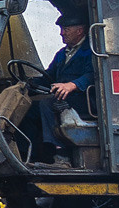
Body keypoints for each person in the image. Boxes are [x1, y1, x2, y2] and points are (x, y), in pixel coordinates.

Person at [38, 13, 96, 164]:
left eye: (66, 29)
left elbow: (93, 75)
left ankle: (62, 155)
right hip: (64, 97)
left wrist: (73, 85)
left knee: (47, 104)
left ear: (80, 30)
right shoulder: (61, 54)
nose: (61, 33)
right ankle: (36, 153)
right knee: (31, 109)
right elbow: (48, 77)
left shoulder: (91, 51)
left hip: (86, 99)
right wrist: (26, 83)